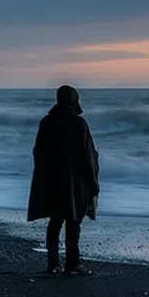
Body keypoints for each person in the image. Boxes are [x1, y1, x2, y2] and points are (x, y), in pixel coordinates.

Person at [27, 84, 100, 274]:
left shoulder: (46, 122)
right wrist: (93, 183)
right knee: (73, 221)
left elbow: (38, 152)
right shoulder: (79, 123)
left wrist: (42, 176)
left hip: (51, 179)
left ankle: (52, 263)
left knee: (55, 220)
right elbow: (88, 155)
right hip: (74, 180)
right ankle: (72, 263)